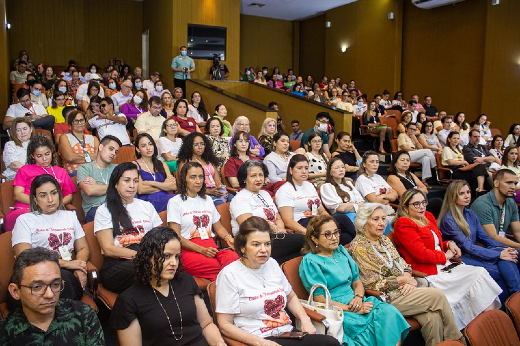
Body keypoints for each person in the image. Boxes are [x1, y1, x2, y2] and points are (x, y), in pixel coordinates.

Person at [349, 204, 463, 346]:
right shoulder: (359, 247)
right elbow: (372, 283)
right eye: (375, 219)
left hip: (405, 290)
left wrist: (410, 280)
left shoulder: (383, 240)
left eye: (384, 219)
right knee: (437, 296)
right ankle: (456, 339)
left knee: (432, 317)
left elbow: (403, 264)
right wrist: (404, 280)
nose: (381, 223)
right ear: (363, 222)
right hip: (385, 297)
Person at [216, 216, 340, 346]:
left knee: (331, 343)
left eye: (267, 244)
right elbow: (225, 324)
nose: (263, 250)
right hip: (257, 338)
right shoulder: (230, 274)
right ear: (242, 248)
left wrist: (305, 319)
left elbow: (290, 296)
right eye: (256, 244)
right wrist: (260, 342)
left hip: (287, 333)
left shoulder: (272, 263)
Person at [393, 189, 502, 329]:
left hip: (445, 266)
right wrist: (446, 256)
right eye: (416, 204)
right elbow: (421, 254)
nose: (421, 207)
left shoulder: (427, 217)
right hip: (430, 273)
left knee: (480, 277)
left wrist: (448, 243)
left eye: (423, 202)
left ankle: (488, 327)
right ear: (405, 207)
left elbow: (436, 243)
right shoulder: (404, 223)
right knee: (479, 275)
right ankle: (487, 328)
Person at [299, 215, 410, 346]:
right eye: (327, 234)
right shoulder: (311, 261)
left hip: (356, 301)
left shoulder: (341, 251)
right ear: (314, 238)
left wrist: (358, 297)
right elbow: (320, 299)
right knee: (366, 330)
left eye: (336, 232)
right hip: (336, 309)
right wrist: (352, 309)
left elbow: (357, 282)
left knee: (389, 313)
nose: (334, 237)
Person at [110, 227, 226, 346]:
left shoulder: (186, 281)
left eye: (176, 256)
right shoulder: (128, 300)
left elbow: (206, 324)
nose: (174, 263)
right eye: (166, 256)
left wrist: (219, 343)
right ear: (147, 257)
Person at [0, 247, 104, 345]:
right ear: (15, 291)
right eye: (37, 287)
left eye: (55, 284)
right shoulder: (5, 333)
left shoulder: (84, 315)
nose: (49, 295)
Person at [439, 180, 520, 303]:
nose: (467, 196)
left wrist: (504, 249)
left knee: (508, 257)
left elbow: (485, 238)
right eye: (461, 193)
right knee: (500, 269)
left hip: (475, 251)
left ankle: (515, 299)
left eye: (468, 192)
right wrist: (499, 254)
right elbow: (468, 247)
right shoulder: (449, 219)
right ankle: (514, 301)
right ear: (452, 196)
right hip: (461, 257)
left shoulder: (470, 213)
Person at [12, 175, 89, 300]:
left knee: (66, 279)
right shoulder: (25, 220)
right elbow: (24, 257)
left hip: (65, 271)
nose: (50, 199)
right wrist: (67, 264)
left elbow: (83, 248)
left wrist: (79, 267)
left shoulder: (70, 216)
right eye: (43, 195)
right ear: (35, 199)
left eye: (53, 193)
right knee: (63, 280)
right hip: (36, 273)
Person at [94, 162, 163, 293]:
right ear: (115, 183)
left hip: (146, 259)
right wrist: (142, 257)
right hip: (117, 265)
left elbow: (160, 238)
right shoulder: (104, 210)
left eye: (135, 181)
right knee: (148, 268)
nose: (132, 185)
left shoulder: (146, 206)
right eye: (126, 180)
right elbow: (108, 249)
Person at [167, 162, 238, 281]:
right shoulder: (175, 202)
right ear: (184, 179)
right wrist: (201, 250)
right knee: (222, 269)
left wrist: (227, 237)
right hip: (189, 249)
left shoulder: (208, 200)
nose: (198, 181)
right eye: (193, 177)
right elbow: (176, 236)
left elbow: (218, 227)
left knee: (235, 259)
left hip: (211, 247)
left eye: (201, 177)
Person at [230, 161, 304, 264]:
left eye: (261, 175)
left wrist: (280, 229)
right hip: (256, 241)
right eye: (253, 176)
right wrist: (274, 229)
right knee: (304, 241)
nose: (259, 179)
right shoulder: (240, 198)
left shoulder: (265, 194)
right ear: (244, 179)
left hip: (275, 237)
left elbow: (278, 218)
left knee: (301, 253)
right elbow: (248, 226)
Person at [276, 154, 356, 243]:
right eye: (299, 168)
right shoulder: (285, 190)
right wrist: (307, 233)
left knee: (346, 236)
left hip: (318, 221)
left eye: (306, 168)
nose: (304, 171)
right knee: (343, 219)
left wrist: (330, 223)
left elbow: (322, 211)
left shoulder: (309, 185)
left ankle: (357, 246)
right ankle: (360, 244)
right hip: (303, 224)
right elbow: (288, 221)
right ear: (291, 170)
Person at [6, 134, 76, 232]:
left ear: (52, 152)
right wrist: (41, 206)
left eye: (47, 154)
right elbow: (18, 195)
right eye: (39, 156)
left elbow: (68, 195)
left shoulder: (61, 171)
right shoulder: (25, 170)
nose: (44, 159)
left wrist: (55, 205)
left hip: (54, 209)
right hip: (27, 209)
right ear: (32, 156)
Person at [178, 132, 232, 206]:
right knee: (220, 204)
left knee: (234, 200)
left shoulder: (209, 160)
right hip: (199, 192)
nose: (200, 147)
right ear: (189, 146)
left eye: (202, 144)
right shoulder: (185, 162)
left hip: (215, 191)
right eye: (196, 145)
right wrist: (209, 192)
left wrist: (222, 191)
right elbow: (184, 186)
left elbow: (218, 182)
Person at [471, 169, 520, 248]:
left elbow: (518, 232)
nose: (513, 187)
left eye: (515, 183)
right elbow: (493, 237)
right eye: (509, 182)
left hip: (500, 245)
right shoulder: (482, 203)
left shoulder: (511, 203)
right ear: (496, 183)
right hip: (484, 247)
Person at [78, 135, 121, 223]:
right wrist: (115, 187)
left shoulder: (117, 168)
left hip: (116, 204)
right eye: (111, 149)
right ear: (101, 147)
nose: (113, 153)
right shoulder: (84, 168)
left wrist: (97, 185)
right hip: (95, 208)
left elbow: (125, 188)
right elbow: (89, 191)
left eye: (116, 152)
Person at [133, 133, 176, 212]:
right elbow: (141, 189)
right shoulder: (135, 165)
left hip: (166, 197)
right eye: (143, 146)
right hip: (147, 201)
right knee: (175, 201)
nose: (148, 148)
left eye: (150, 144)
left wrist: (152, 183)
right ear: (138, 149)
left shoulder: (162, 164)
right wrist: (164, 185)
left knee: (181, 199)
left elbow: (173, 186)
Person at [320, 157, 364, 225]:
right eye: (337, 168)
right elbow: (340, 209)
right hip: (342, 218)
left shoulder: (349, 184)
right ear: (330, 172)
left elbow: (362, 202)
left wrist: (349, 205)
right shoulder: (327, 186)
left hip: (357, 214)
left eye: (343, 167)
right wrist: (354, 204)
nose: (341, 170)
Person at [58, 110, 99, 175]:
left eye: (82, 120)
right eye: (76, 121)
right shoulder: (65, 137)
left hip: (94, 171)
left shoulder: (94, 138)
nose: (79, 123)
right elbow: (70, 157)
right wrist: (91, 157)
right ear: (69, 124)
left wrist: (77, 157)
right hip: (75, 173)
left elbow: (99, 156)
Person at [397, 122, 437, 187]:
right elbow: (403, 147)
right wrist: (415, 150)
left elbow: (420, 148)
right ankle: (435, 168)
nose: (412, 131)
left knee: (426, 158)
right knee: (428, 151)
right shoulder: (402, 135)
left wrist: (415, 139)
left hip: (413, 155)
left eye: (414, 130)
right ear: (406, 129)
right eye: (411, 129)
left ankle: (424, 181)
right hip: (405, 154)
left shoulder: (413, 137)